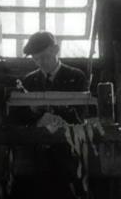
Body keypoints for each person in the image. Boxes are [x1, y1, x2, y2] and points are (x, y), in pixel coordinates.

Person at [10, 31, 87, 199]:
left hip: (66, 147)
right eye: (36, 59)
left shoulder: (76, 76)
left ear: (56, 49)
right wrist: (37, 118)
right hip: (36, 149)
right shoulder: (28, 81)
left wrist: (58, 117)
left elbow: (80, 114)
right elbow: (19, 117)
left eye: (44, 57)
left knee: (65, 186)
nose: (40, 63)